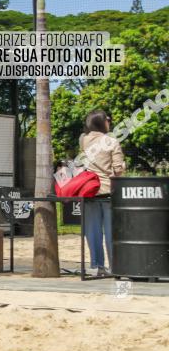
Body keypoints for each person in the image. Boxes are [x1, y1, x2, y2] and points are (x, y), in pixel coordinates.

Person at [80, 109, 125, 277]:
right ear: (102, 122)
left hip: (89, 191)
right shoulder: (112, 142)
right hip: (108, 191)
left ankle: (98, 267)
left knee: (92, 232)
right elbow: (118, 171)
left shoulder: (83, 140)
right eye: (108, 119)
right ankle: (115, 267)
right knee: (112, 232)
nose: (110, 121)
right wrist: (123, 166)